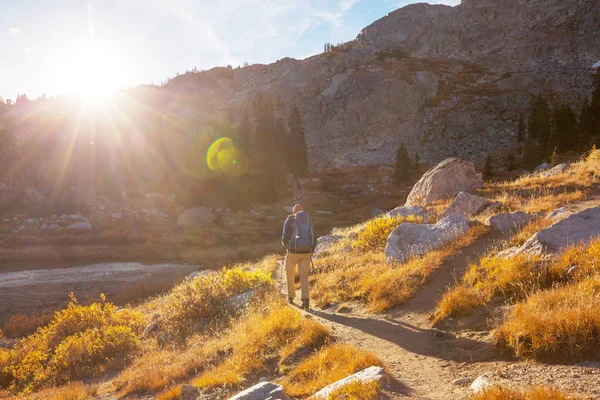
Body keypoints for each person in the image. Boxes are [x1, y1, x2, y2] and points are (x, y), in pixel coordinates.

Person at [281, 204, 316, 310]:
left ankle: (291, 297)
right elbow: (314, 235)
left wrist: (285, 244)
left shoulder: (290, 220)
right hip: (306, 252)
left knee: (290, 274)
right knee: (304, 276)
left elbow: (285, 236)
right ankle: (306, 300)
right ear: (302, 211)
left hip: (293, 252)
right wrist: (311, 250)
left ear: (293, 212)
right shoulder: (308, 220)